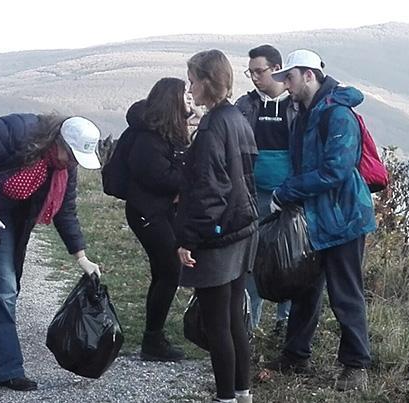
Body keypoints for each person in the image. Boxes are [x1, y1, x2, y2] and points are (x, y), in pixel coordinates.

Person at [0, 113, 103, 399]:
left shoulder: (63, 167)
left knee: (5, 290)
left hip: (2, 219)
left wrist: (81, 257)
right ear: (58, 140)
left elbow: (66, 211)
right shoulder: (14, 131)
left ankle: (7, 370)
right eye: (71, 155)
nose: (72, 163)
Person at [265, 49, 377, 392]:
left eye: (290, 77)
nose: (285, 83)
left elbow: (336, 171)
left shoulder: (337, 114)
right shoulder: (305, 113)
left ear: (309, 75)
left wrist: (287, 192)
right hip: (316, 217)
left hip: (343, 218)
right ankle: (295, 355)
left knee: (346, 293)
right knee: (304, 288)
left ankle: (356, 367)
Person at [176, 49, 258, 403]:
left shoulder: (212, 127)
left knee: (216, 323)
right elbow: (247, 173)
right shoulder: (238, 118)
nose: (190, 88)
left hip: (217, 235)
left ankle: (225, 397)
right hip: (242, 229)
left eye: (193, 80)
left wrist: (188, 239)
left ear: (209, 82)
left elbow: (208, 189)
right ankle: (243, 393)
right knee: (234, 318)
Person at [123, 77, 194, 361]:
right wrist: (188, 182)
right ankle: (152, 340)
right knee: (169, 271)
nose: (189, 99)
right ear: (171, 101)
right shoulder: (149, 137)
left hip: (156, 211)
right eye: (184, 96)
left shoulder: (164, 132)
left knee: (164, 272)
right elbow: (158, 177)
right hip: (147, 212)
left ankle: (153, 337)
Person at [233, 44, 295, 334]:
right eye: (251, 72)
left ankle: (285, 320)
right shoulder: (245, 106)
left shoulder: (296, 104)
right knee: (252, 258)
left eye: (260, 71)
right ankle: (250, 322)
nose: (255, 77)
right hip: (253, 193)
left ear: (277, 68)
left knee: (292, 255)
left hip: (291, 194)